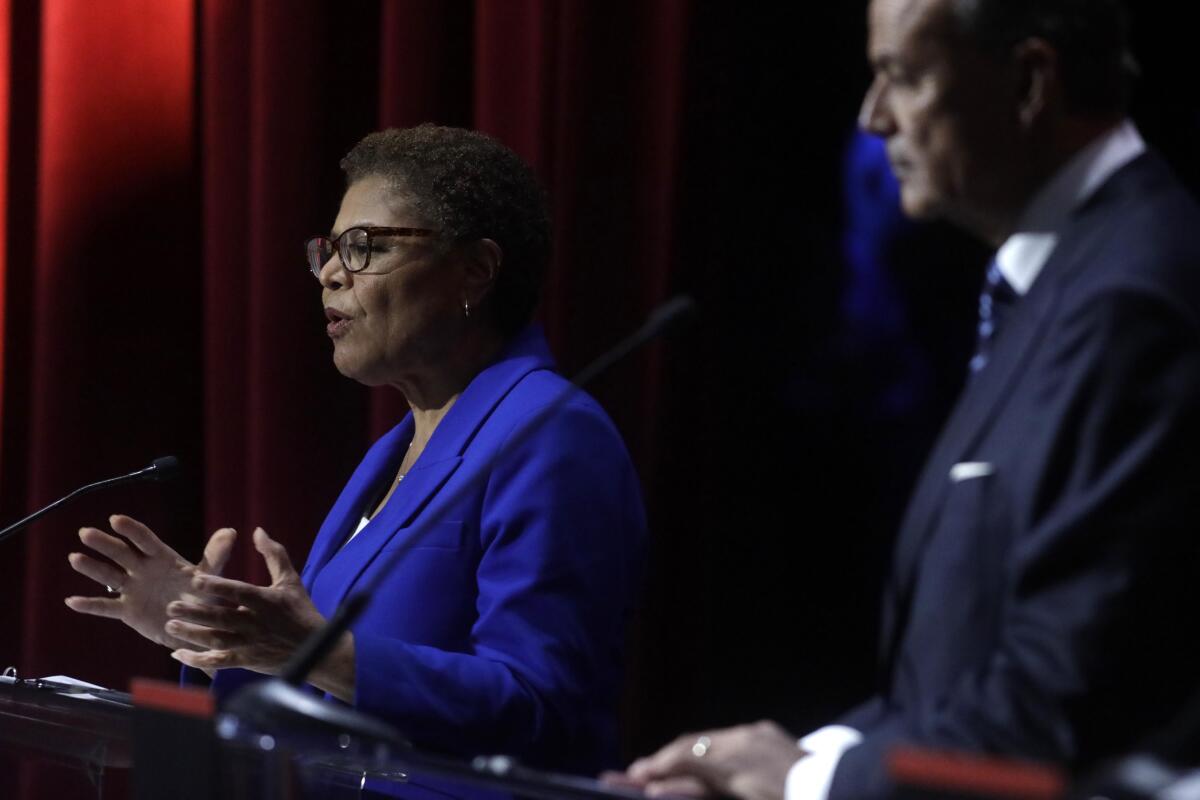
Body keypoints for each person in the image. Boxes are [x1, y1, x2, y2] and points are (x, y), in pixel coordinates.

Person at [614, 0, 1200, 798]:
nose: (873, 117)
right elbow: (960, 669)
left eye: (903, 76)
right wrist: (792, 760)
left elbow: (1066, 701)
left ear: (1031, 81)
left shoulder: (1132, 300)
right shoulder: (1060, 283)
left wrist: (812, 784)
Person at [64, 124, 647, 773]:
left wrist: (313, 650)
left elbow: (542, 707)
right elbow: (324, 701)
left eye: (365, 247)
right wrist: (216, 636)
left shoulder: (552, 432)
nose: (332, 275)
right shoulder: (387, 455)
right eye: (330, 251)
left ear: (475, 271)